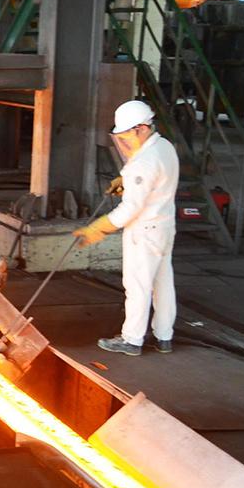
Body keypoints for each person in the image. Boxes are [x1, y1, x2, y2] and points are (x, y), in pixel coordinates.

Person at [73, 100, 180, 356]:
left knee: (138, 285)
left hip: (144, 232)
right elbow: (154, 179)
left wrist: (99, 227)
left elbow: (131, 208)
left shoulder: (143, 162)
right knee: (163, 283)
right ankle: (164, 336)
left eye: (127, 136)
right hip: (165, 227)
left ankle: (132, 339)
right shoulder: (165, 147)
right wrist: (127, 180)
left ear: (142, 128)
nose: (124, 143)